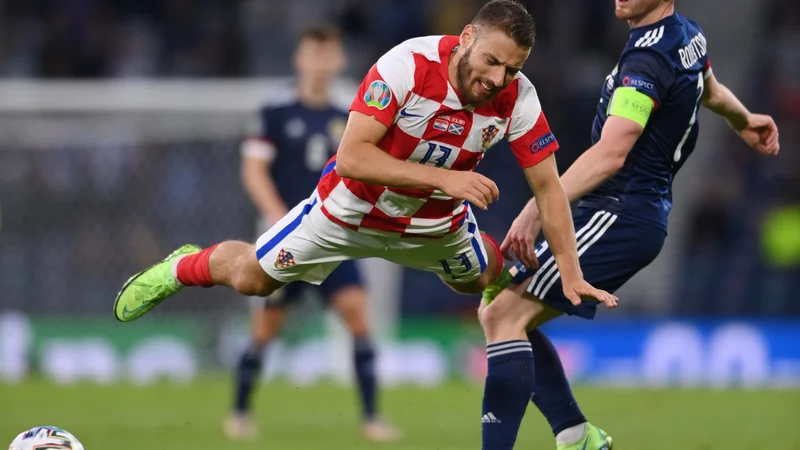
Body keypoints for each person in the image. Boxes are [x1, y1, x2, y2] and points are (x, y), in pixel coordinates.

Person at [114, 0, 616, 410]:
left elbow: (549, 187)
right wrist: (447, 178)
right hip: (347, 213)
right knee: (251, 278)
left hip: (435, 225)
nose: (498, 78)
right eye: (492, 61)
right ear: (466, 37)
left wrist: (570, 271)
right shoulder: (405, 66)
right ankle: (181, 267)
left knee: (479, 277)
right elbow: (353, 157)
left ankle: (492, 285)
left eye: (512, 68)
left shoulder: (518, 98)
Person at [479, 1, 781, 449]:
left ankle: (569, 438)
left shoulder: (647, 59)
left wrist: (537, 211)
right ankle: (577, 436)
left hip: (618, 211)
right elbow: (708, 85)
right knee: (502, 310)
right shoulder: (684, 34)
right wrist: (743, 118)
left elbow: (611, 153)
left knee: (502, 313)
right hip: (627, 211)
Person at [223, 25, 399, 442]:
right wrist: (279, 217)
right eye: (312, 54)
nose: (320, 63)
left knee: (358, 315)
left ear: (338, 61)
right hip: (287, 239)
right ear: (298, 59)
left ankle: (372, 418)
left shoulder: (351, 114)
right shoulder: (275, 112)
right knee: (266, 328)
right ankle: (240, 412)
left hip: (334, 237)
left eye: (328, 55)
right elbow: (253, 170)